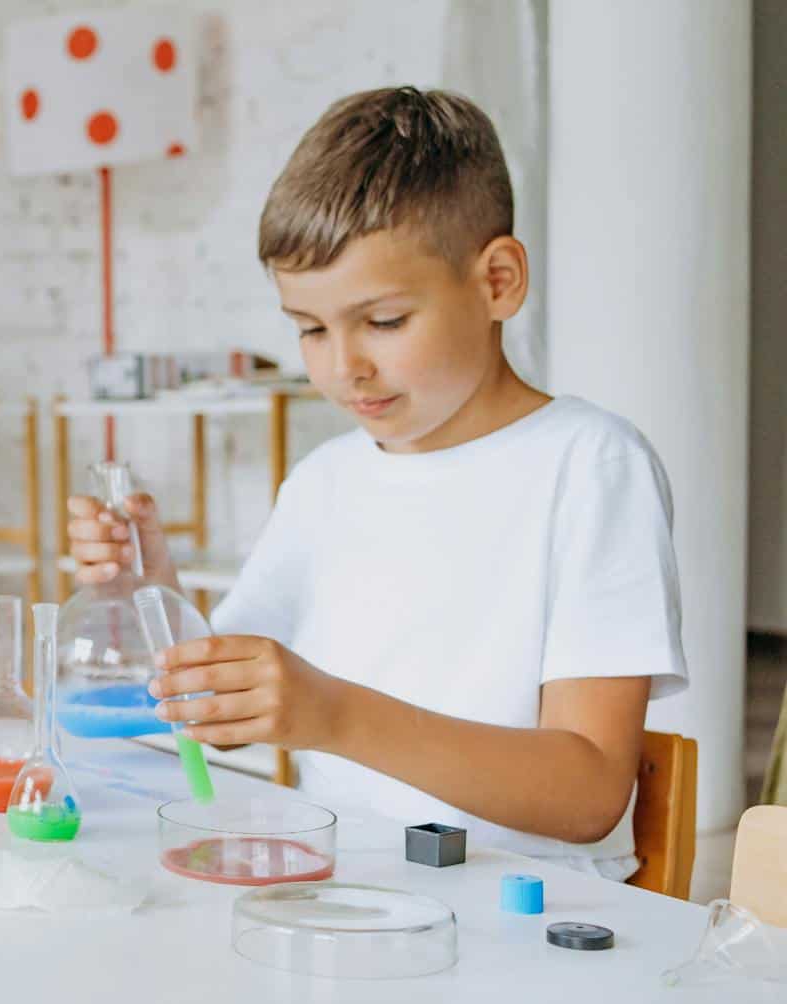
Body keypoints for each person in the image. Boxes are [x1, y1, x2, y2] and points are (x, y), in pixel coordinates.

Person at [67, 87, 686, 878]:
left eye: (385, 322)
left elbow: (588, 795)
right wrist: (148, 586)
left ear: (498, 281)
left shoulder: (590, 467)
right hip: (343, 889)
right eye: (310, 329)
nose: (344, 367)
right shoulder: (325, 481)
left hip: (529, 914)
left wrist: (335, 715)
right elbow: (219, 707)